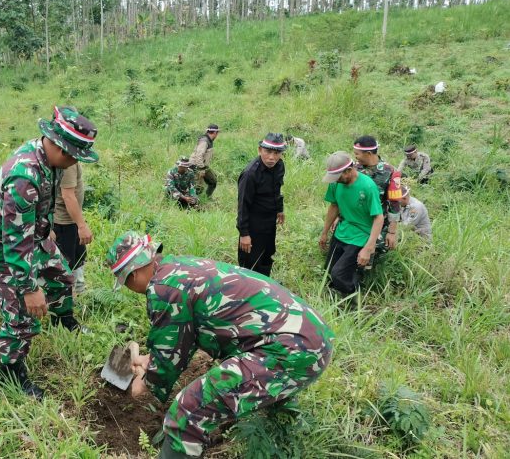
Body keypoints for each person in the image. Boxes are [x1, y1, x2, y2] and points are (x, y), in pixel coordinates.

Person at [106, 231, 334, 458]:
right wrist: (148, 361)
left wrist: (140, 386)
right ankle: (279, 433)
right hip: (310, 334)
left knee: (188, 410)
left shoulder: (164, 289)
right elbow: (182, 340)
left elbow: (168, 361)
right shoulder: (178, 268)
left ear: (132, 275)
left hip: (290, 350)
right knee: (255, 394)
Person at [0, 106, 98, 399]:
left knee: (62, 278)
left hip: (34, 236)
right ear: (54, 143)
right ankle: (10, 372)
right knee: (21, 317)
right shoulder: (24, 176)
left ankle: (65, 321)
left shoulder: (50, 160)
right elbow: (15, 243)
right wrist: (29, 289)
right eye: (71, 155)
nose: (73, 163)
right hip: (3, 250)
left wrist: (47, 231)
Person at [319, 152, 384, 296]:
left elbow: (378, 218)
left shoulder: (367, 186)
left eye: (338, 176)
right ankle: (336, 296)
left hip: (360, 235)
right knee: (329, 271)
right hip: (342, 230)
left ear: (349, 170)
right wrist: (324, 232)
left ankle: (354, 300)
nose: (335, 180)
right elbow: (334, 206)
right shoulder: (336, 183)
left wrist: (369, 247)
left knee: (339, 274)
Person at [237, 133, 286, 276]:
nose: (272, 157)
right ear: (260, 150)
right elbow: (242, 206)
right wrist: (244, 234)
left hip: (270, 220)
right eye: (268, 152)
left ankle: (265, 286)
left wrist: (279, 209)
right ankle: (248, 292)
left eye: (276, 153)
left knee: (267, 254)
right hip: (253, 223)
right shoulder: (250, 174)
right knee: (250, 261)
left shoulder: (279, 166)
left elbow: (277, 188)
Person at [353, 135, 402, 255]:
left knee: (372, 255)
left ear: (369, 153)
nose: (355, 156)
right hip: (354, 221)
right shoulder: (354, 169)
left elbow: (394, 203)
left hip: (377, 224)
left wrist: (392, 232)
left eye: (357, 154)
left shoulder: (390, 172)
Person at [53, 162, 92, 294]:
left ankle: (79, 291)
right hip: (63, 223)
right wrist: (82, 225)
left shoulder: (71, 160)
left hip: (71, 221)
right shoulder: (68, 163)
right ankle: (65, 300)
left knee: (78, 257)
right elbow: (68, 196)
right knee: (66, 265)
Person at [189, 124, 219, 198]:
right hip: (196, 166)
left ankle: (208, 198)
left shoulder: (209, 140)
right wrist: (201, 169)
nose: (217, 135)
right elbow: (198, 156)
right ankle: (193, 202)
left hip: (203, 166)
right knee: (198, 187)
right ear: (215, 133)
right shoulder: (204, 141)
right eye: (217, 133)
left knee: (213, 181)